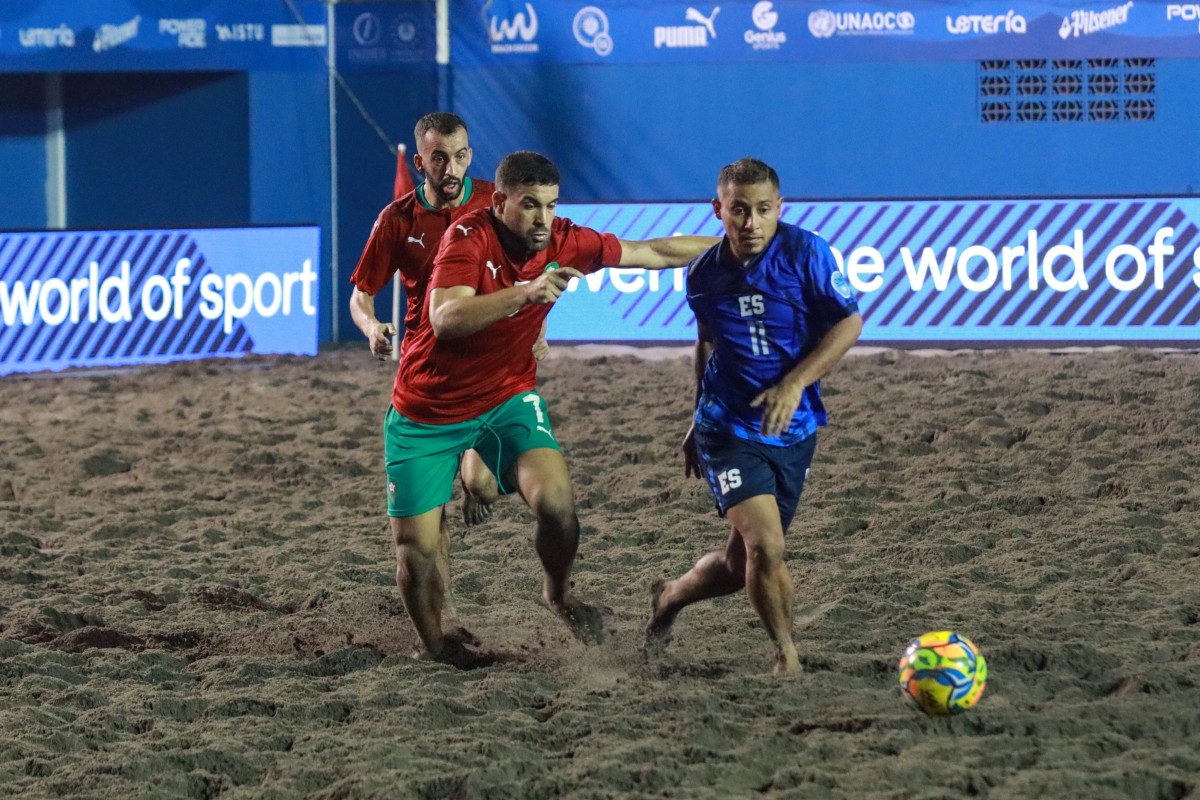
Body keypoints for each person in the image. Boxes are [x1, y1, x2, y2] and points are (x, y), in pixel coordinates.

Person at [389, 150, 717, 661]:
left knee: (558, 505)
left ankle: (558, 594)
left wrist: (738, 247)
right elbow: (445, 318)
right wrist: (526, 293)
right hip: (427, 411)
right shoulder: (467, 238)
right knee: (417, 551)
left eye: (550, 205)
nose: (543, 219)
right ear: (499, 201)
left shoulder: (565, 239)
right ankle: (436, 648)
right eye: (529, 206)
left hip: (505, 398)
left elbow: (651, 251)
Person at [646, 157, 863, 674]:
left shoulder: (806, 252)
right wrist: (696, 418)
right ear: (718, 210)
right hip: (727, 428)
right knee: (767, 545)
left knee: (737, 564)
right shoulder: (703, 275)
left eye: (763, 210)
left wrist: (794, 383)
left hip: (794, 427)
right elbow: (707, 345)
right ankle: (786, 653)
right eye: (739, 210)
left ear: (778, 208)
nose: (751, 222)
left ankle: (670, 596)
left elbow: (849, 323)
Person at [348, 113, 536, 626]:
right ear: (419, 162)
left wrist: (536, 326)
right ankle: (446, 610)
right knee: (432, 516)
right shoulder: (397, 220)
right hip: (426, 372)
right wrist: (370, 328)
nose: (449, 167)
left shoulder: (492, 206)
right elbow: (361, 294)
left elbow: (535, 262)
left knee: (479, 486)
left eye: (458, 156)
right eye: (438, 158)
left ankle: (476, 483)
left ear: (470, 157)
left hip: (489, 366)